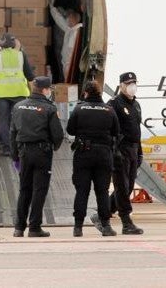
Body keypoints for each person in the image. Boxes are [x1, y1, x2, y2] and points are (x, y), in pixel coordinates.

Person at [9, 76, 64, 237]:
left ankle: (19, 228)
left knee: (24, 189)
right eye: (49, 89)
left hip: (23, 153)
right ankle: (34, 227)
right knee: (39, 190)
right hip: (42, 153)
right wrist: (53, 147)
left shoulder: (18, 107)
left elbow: (12, 133)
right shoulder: (50, 108)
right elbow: (58, 134)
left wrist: (15, 156)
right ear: (45, 90)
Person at [66, 81, 120, 237]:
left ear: (86, 93)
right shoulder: (109, 110)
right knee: (102, 192)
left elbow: (70, 129)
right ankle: (106, 226)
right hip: (104, 154)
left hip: (83, 153)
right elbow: (116, 131)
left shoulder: (79, 109)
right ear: (99, 93)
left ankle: (78, 227)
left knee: (82, 191)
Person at [105, 71, 144, 235]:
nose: (131, 86)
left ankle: (103, 213)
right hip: (120, 150)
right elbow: (109, 130)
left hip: (134, 150)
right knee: (122, 186)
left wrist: (140, 152)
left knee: (127, 188)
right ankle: (126, 222)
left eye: (134, 83)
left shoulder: (136, 105)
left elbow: (137, 129)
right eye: (128, 83)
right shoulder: (114, 104)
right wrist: (114, 151)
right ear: (121, 85)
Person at [0, 34, 36, 156]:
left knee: (3, 120)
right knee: (17, 120)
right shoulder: (21, 55)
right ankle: (18, 146)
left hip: (2, 94)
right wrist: (34, 94)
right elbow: (30, 77)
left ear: (1, 45)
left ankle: (7, 147)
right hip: (20, 93)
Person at [49, 0, 83, 84]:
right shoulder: (70, 29)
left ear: (74, 20)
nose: (67, 20)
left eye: (69, 18)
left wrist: (69, 64)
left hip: (71, 65)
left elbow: (72, 51)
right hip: (66, 63)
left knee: (69, 84)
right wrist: (51, 7)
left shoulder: (77, 32)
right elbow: (59, 20)